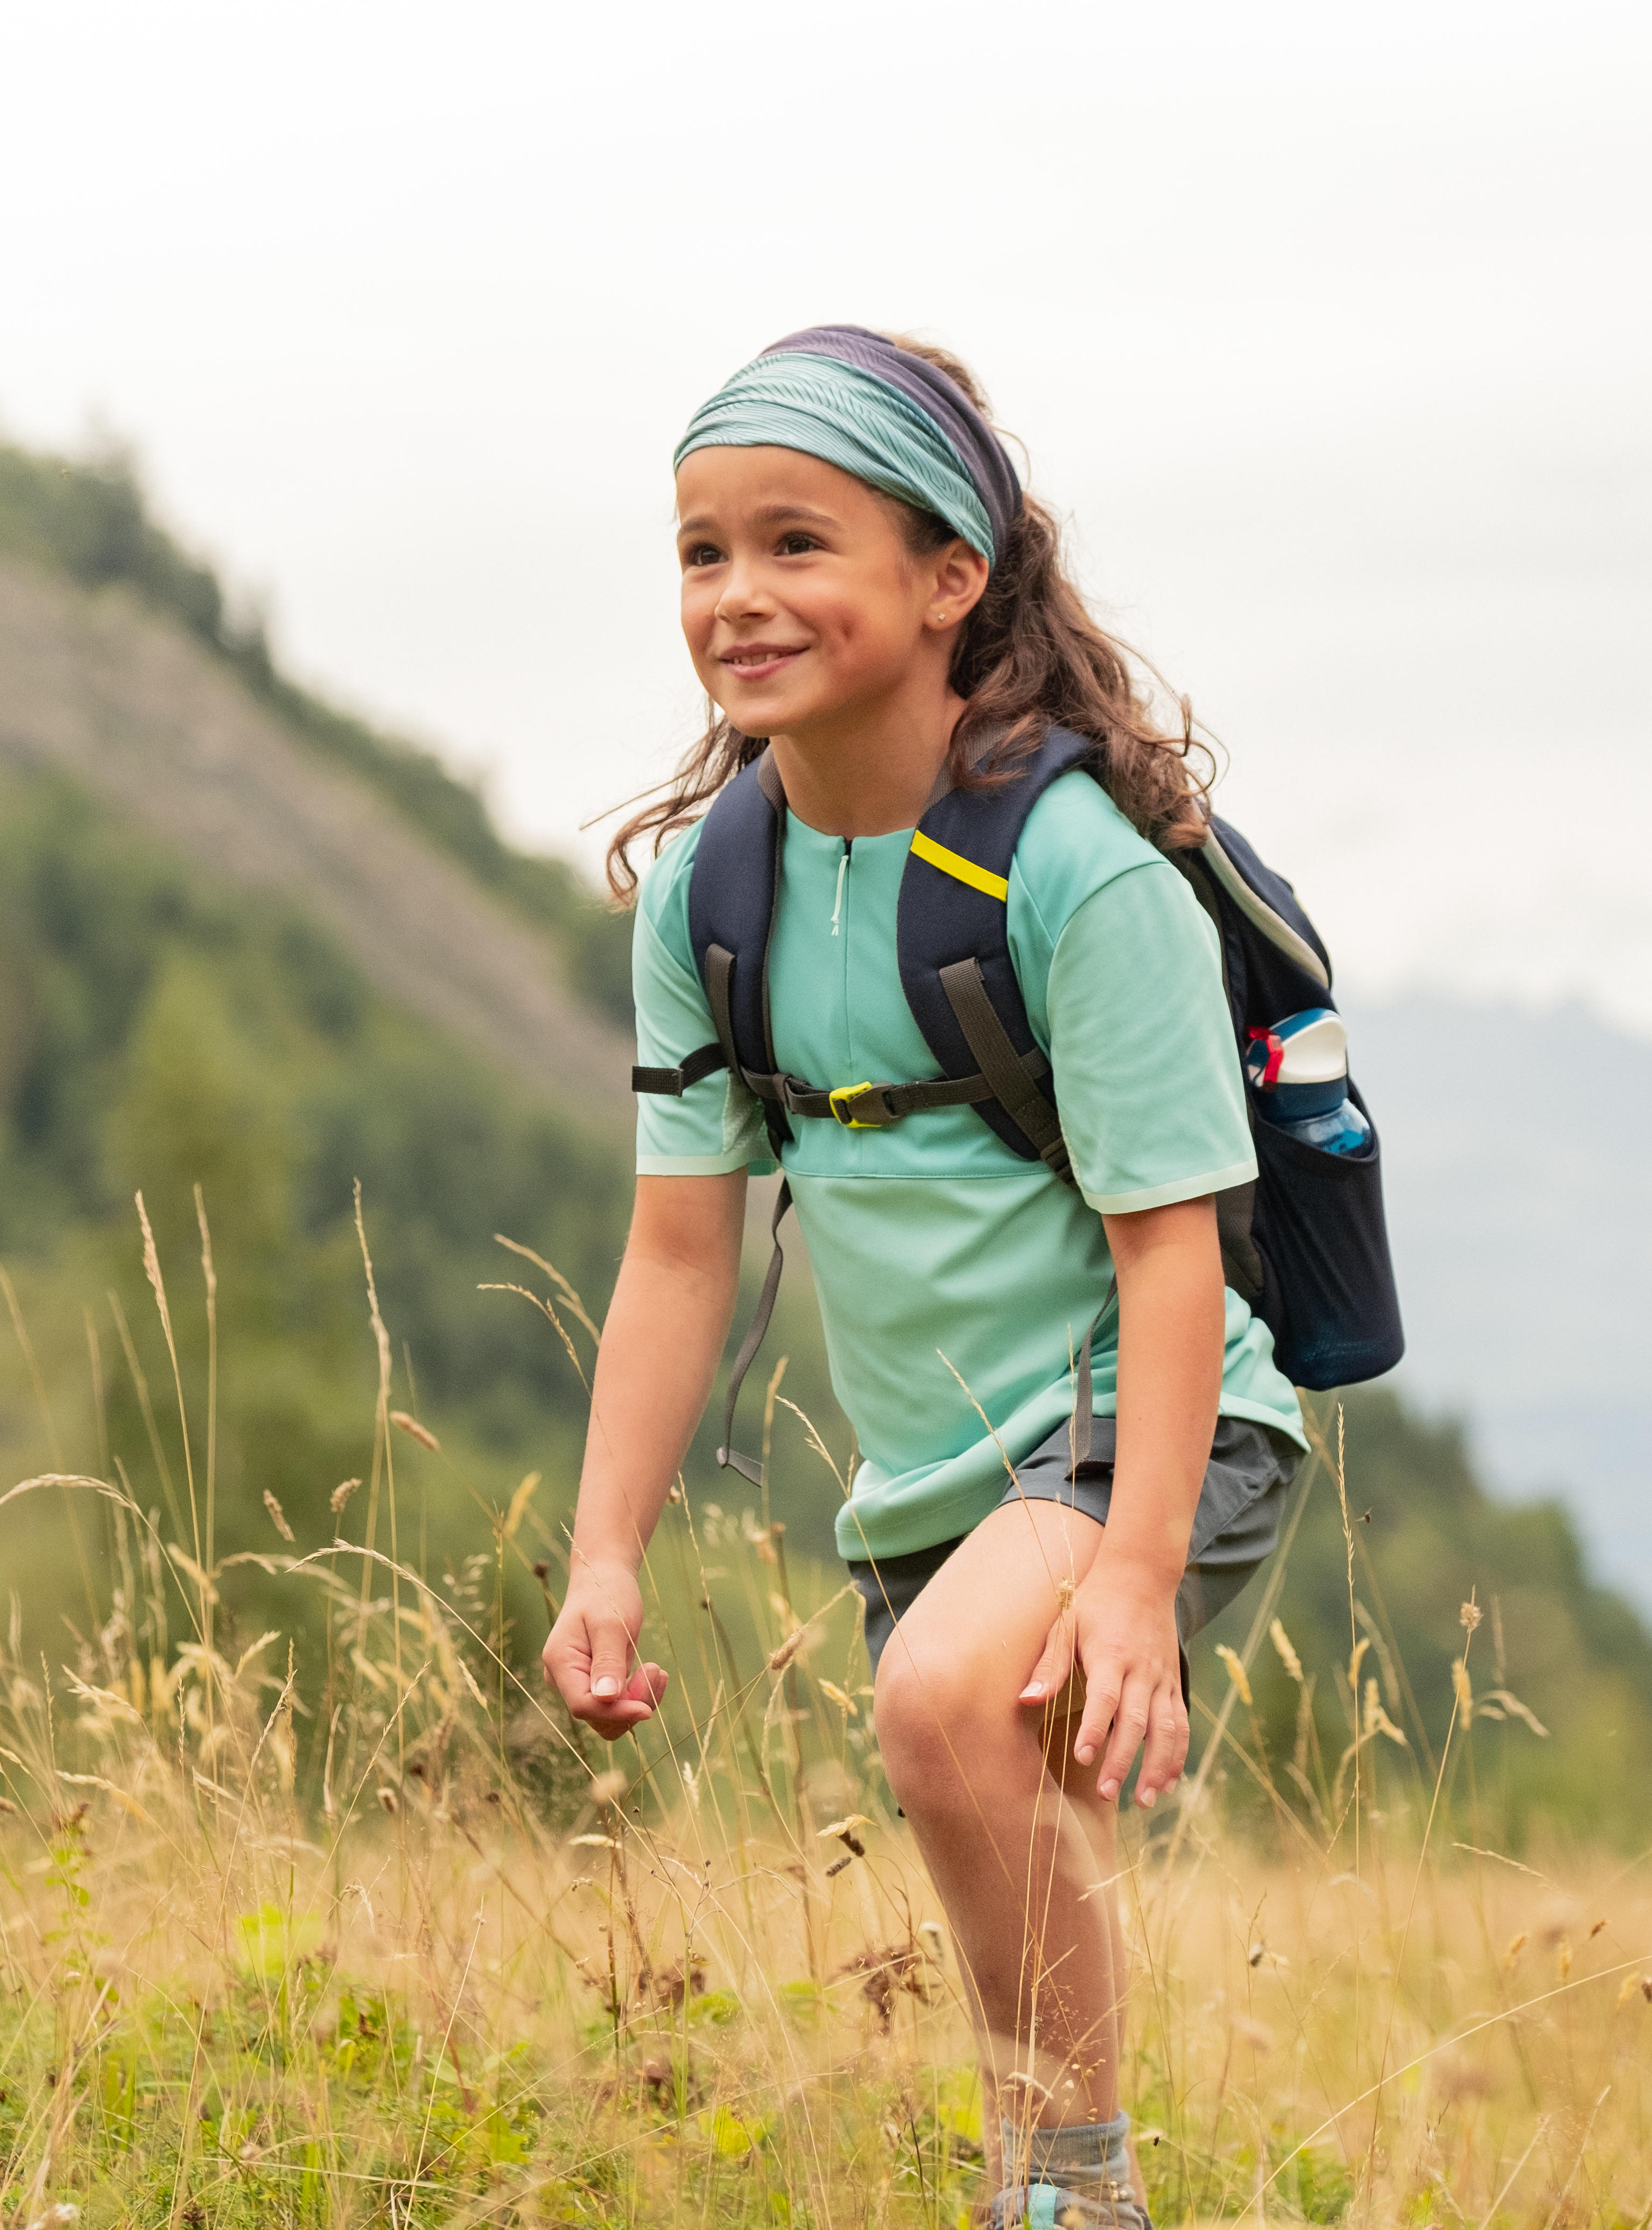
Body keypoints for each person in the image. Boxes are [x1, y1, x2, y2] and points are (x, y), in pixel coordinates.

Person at [540, 326, 1305, 2228]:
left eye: (799, 544)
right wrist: (606, 1551)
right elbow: (673, 1250)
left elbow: (1172, 1248)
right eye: (704, 552)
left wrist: (1134, 1569)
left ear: (951, 576)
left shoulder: (1076, 869)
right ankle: (1053, 2177)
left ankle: (1071, 2195)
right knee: (974, 1779)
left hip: (1158, 1420)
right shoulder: (713, 894)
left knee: (945, 1706)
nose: (740, 596)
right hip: (928, 1490)